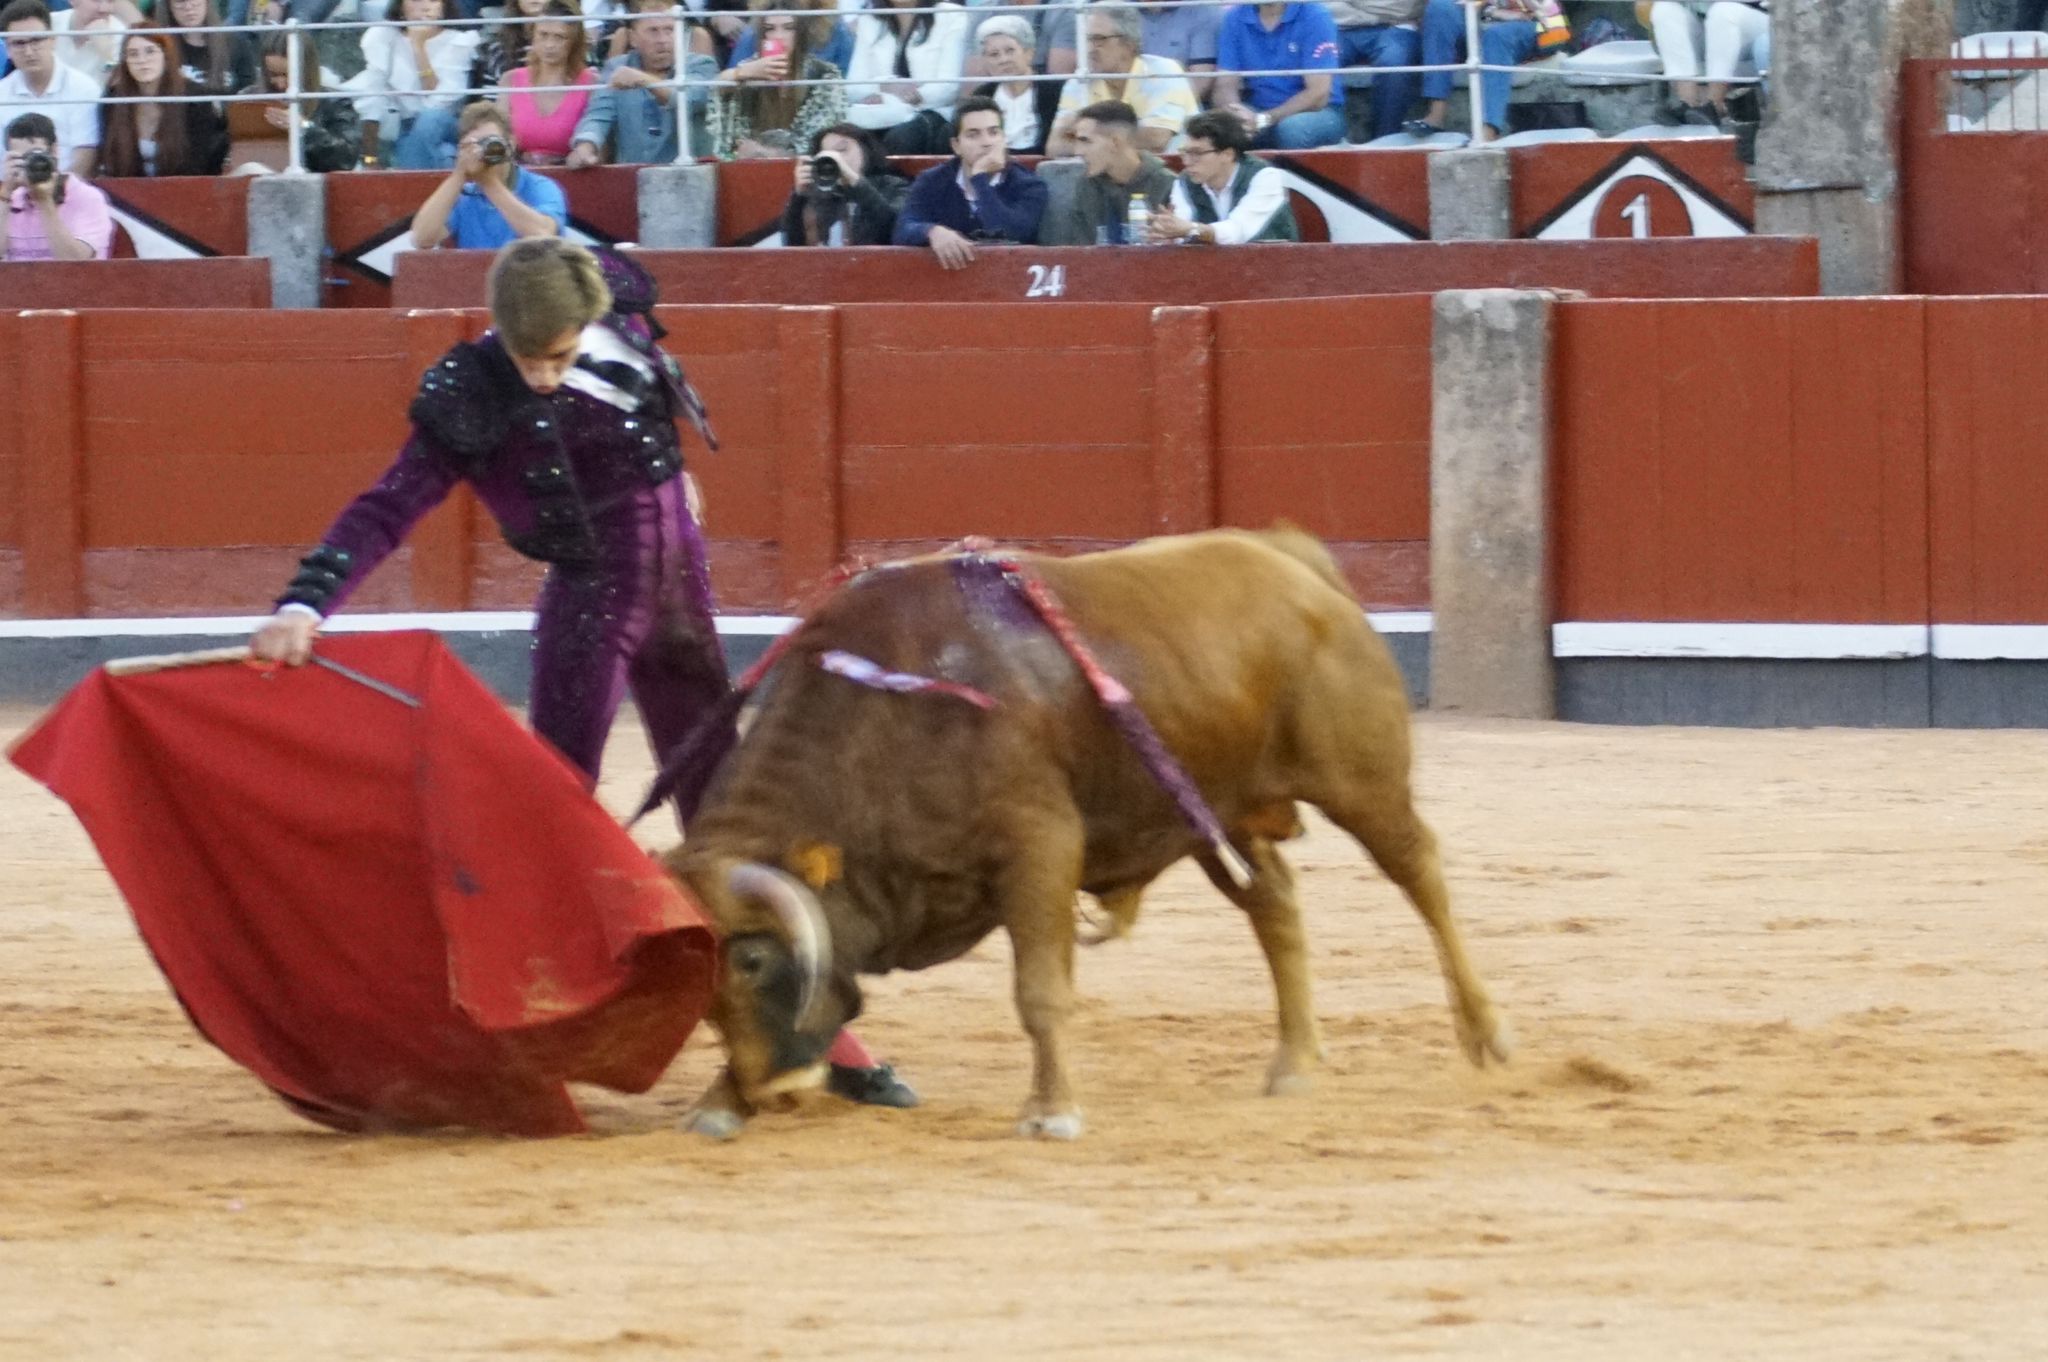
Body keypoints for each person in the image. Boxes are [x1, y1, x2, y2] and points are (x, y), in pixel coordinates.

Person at [247, 239, 918, 1111]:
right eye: (529, 358)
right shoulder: (474, 391)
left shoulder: (616, 310)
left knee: (729, 814)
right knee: (551, 807)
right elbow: (388, 504)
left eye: (560, 355)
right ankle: (523, 1018)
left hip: (679, 593)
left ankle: (825, 1034)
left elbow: (652, 383)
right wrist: (307, 601)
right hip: (597, 604)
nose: (542, 377)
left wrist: (676, 481)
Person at [892, 94, 1046, 267]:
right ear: (956, 145)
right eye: (973, 135)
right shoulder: (932, 180)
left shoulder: (1029, 185)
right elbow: (902, 229)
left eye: (994, 132)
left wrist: (979, 179)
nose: (986, 142)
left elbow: (1013, 234)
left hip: (1009, 279)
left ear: (1004, 139)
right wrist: (931, 231)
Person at [567, 0, 711, 166]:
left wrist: (643, 80)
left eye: (669, 30)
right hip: (630, 179)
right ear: (633, 38)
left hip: (689, 177)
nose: (663, 40)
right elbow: (598, 114)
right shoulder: (616, 67)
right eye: (653, 31)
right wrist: (586, 146)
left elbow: (691, 99)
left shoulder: (701, 65)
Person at [1044, 1, 1197, 156]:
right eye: (1087, 39)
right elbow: (1055, 146)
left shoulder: (1163, 72)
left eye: (1099, 39)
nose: (1089, 49)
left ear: (1129, 43)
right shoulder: (1079, 81)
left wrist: (1089, 140)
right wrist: (1107, 143)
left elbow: (1156, 140)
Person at [409, 99, 566, 249]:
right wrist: (459, 175)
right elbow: (422, 239)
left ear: (510, 143)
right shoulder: (465, 197)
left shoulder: (540, 186)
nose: (483, 151)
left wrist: (488, 183)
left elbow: (543, 235)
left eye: (491, 142)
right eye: (473, 145)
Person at [704, 0, 845, 160]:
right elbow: (718, 90)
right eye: (770, 29)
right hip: (753, 169)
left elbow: (814, 140)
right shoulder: (747, 70)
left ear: (801, 32)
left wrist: (765, 153)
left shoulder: (824, 74)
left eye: (788, 28)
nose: (779, 36)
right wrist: (741, 73)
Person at [1408, 0, 1564, 142]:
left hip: (1537, 25)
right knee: (1439, 7)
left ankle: (1490, 129)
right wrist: (1490, 11)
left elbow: (1541, 9)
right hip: (1483, 19)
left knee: (1496, 36)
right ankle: (1436, 114)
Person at [348, 0, 478, 168]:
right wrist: (369, 158)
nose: (425, 6)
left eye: (433, 0)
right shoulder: (384, 36)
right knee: (445, 154)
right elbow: (372, 95)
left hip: (447, 122)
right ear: (400, 5)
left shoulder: (459, 41)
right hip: (406, 126)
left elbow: (441, 102)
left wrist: (418, 47)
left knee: (430, 118)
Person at [1149, 106, 1298, 244]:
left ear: (1227, 154)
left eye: (1197, 153)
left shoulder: (1265, 176)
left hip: (1273, 266)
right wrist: (1166, 232)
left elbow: (1239, 231)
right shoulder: (1184, 181)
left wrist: (1190, 230)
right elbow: (1182, 227)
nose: (1187, 161)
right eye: (1185, 152)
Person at [93, 29, 227, 176]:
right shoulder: (113, 100)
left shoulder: (195, 98)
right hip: (128, 190)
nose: (142, 60)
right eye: (133, 54)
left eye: (150, 51)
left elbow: (200, 162)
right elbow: (112, 161)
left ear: (166, 56)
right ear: (125, 62)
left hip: (186, 189)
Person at [842, 0, 969, 156]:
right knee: (846, 139)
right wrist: (883, 86)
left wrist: (908, 97)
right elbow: (853, 87)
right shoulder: (870, 19)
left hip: (930, 109)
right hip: (878, 112)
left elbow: (948, 88)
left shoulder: (951, 15)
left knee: (901, 138)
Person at [1213, 0, 1345, 150]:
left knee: (1292, 130)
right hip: (1258, 111)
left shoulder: (1315, 15)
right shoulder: (1234, 17)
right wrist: (1236, 115)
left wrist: (1264, 119)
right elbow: (1225, 85)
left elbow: (1318, 95)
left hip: (1319, 113)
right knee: (1221, 128)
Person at [1046, 99, 1174, 246]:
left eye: (1085, 141)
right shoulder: (1087, 186)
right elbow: (1080, 252)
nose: (1077, 151)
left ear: (1115, 142)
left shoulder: (1168, 185)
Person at [0, 0, 102, 176]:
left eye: (36, 40)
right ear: (7, 49)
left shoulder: (84, 89)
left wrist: (51, 195)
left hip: (69, 195)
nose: (29, 51)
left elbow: (85, 160)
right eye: (19, 43)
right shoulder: (2, 93)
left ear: (53, 39)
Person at [242, 28, 362, 173]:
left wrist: (304, 127)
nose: (280, 83)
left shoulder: (334, 102)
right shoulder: (247, 98)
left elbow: (346, 159)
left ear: (306, 69)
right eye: (272, 74)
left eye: (288, 75)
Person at [2, 110, 111, 258]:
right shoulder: (8, 200)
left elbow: (76, 264)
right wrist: (6, 193)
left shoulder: (87, 198)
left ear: (54, 151)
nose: (30, 164)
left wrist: (44, 201)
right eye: (22, 159)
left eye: (35, 156)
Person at [501, 0, 598, 164]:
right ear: (533, 36)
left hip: (572, 175)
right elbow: (499, 136)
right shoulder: (511, 80)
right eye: (543, 35)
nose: (549, 45)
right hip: (521, 175)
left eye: (559, 37)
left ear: (574, 41)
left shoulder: (590, 83)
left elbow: (600, 152)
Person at [1646, 0, 1768, 128]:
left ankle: (1715, 106)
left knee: (1722, 11)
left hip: (1759, 24)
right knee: (1664, 9)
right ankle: (1688, 105)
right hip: (1708, 25)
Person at [781, 120, 905, 244]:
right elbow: (792, 242)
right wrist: (798, 197)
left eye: (842, 149)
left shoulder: (893, 185)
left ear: (865, 149)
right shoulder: (819, 192)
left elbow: (893, 226)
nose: (836, 158)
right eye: (826, 155)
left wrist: (855, 181)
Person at [1325, 0, 1423, 142]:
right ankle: (1328, 138)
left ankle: (1385, 142)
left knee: (1393, 63)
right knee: (1319, 60)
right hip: (1339, 28)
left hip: (1396, 29)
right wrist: (1378, 10)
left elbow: (1404, 7)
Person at [967, 13, 1055, 154]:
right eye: (994, 54)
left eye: (1010, 51)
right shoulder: (982, 96)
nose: (1003, 60)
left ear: (1029, 53)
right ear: (984, 61)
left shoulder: (1053, 90)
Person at [166, 0, 257, 103]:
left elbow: (249, 91)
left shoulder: (236, 44)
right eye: (179, 1)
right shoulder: (161, 49)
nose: (188, 7)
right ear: (169, 6)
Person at [49, 0, 125, 86]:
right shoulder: (48, 25)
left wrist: (107, 55)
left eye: (110, 1)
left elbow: (121, 87)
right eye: (97, 1)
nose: (104, 9)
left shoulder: (121, 35)